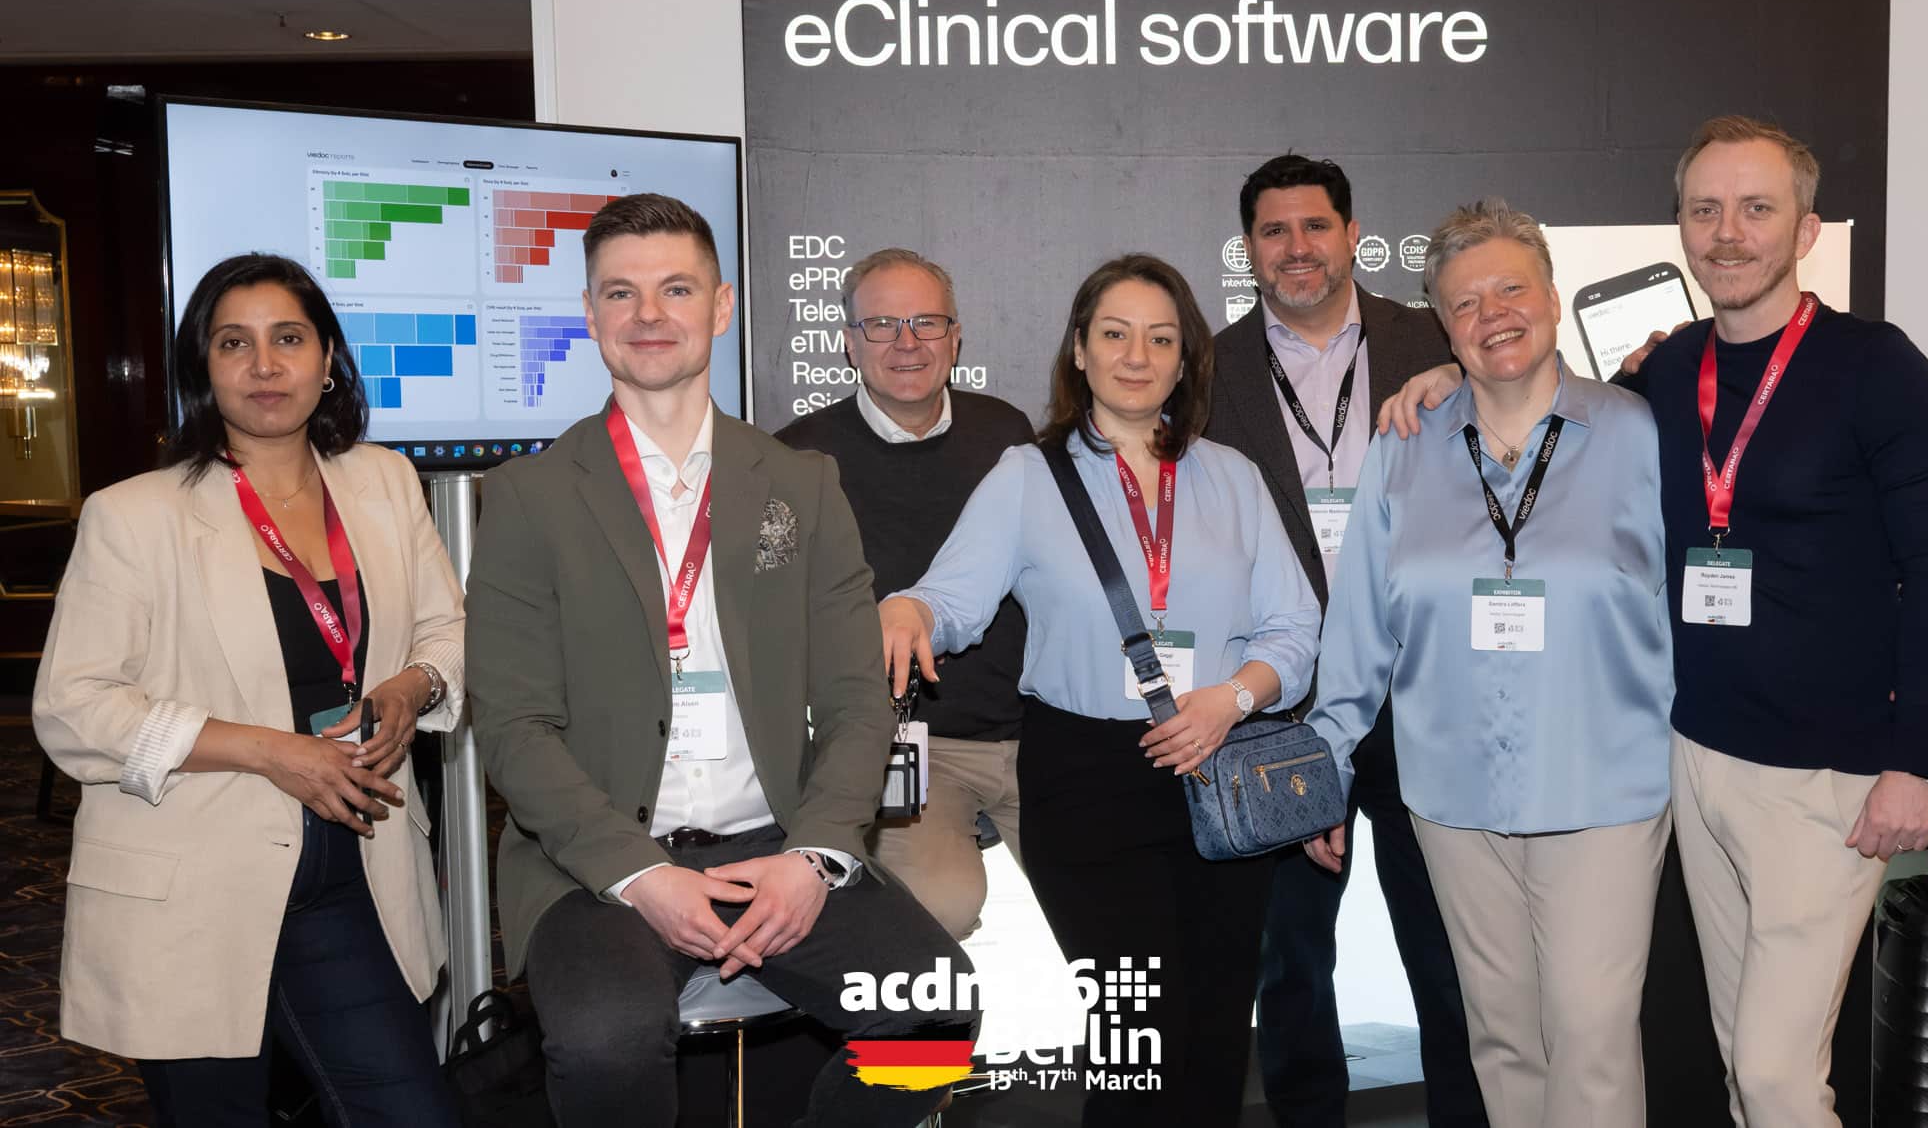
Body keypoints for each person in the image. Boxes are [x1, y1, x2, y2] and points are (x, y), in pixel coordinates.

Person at [1379, 119, 1928, 1128]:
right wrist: (1452, 380)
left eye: (1756, 209)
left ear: (1805, 230)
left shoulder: (1876, 366)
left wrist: (1915, 760)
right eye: (1705, 210)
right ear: (1683, 229)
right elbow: (1539, 406)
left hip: (1825, 775)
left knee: (1778, 1075)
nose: (1727, 232)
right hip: (1692, 758)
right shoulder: (1665, 374)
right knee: (1741, 1060)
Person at [464, 193, 975, 1127]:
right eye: (620, 292)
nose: (648, 314)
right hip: (597, 863)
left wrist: (815, 855)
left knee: (936, 1017)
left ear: (722, 305)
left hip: (777, 842)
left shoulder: (800, 482)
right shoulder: (528, 496)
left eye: (676, 288)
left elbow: (858, 700)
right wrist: (639, 874)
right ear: (589, 315)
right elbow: (512, 726)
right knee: (607, 1039)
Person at [881, 253, 1320, 1126]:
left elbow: (1296, 629)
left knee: (1216, 1030)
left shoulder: (1232, 476)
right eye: (1115, 334)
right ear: (1079, 350)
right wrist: (909, 608)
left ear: (1186, 359)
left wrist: (1232, 697)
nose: (1136, 355)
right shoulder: (1027, 475)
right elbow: (952, 599)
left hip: (1220, 770)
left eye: (1161, 338)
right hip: (1084, 780)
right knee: (1138, 1034)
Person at [33, 253, 464, 1126]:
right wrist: (269, 751)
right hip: (194, 878)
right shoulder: (134, 514)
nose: (264, 365)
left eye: (288, 339)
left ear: (327, 358)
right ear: (203, 366)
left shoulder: (384, 481)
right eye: (235, 343)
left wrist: (413, 685)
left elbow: (446, 629)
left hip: (356, 869)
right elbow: (72, 705)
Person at [1303, 200, 1675, 1128]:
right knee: (1501, 1037)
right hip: (1453, 795)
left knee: (1591, 1032)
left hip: (1603, 787)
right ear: (1442, 324)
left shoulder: (1638, 434)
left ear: (1551, 296)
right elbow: (1359, 627)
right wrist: (1325, 763)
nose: (1493, 314)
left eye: (1512, 288)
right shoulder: (1404, 447)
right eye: (1465, 302)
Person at [1205, 154, 1484, 1128]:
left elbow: (1535, 420)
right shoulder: (1207, 370)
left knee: (1450, 953)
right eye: (1274, 231)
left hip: (1421, 690)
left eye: (1315, 225)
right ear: (1248, 248)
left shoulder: (1436, 341)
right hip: (1277, 704)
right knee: (1289, 962)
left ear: (1353, 235)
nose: (1297, 248)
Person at [775, 247, 1033, 940]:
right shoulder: (796, 459)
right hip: (904, 744)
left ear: (956, 337)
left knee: (1117, 900)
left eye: (926, 322)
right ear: (848, 343)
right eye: (883, 324)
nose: (907, 342)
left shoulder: (1009, 435)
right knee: (936, 908)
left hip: (1035, 732)